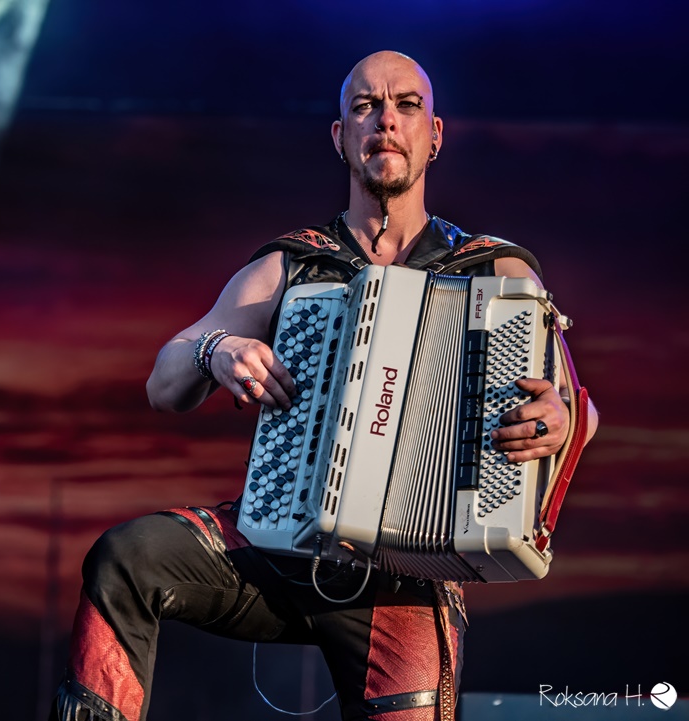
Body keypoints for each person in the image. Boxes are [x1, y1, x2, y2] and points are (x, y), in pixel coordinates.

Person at [49, 50, 599, 721]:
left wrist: (562, 419)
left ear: (435, 135)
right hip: (278, 542)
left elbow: (575, 403)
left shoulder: (495, 269)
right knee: (125, 557)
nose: (386, 121)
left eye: (406, 105)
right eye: (365, 106)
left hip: (408, 575)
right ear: (340, 136)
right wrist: (216, 349)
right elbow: (165, 381)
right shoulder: (292, 263)